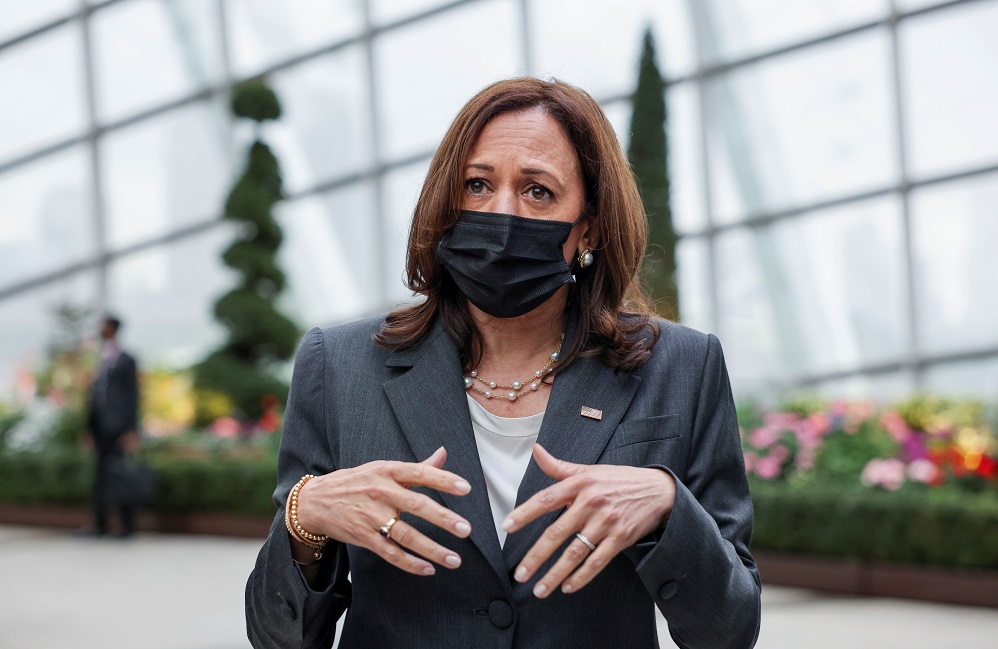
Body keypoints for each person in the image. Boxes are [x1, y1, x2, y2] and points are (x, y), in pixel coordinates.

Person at [246, 77, 760, 648]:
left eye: (538, 191)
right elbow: (277, 637)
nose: (502, 212)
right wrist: (305, 515)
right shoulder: (339, 366)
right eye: (477, 184)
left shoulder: (681, 367)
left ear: (587, 227)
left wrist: (668, 507)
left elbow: (728, 631)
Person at [84, 314, 140, 537]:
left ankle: (126, 526)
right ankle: (101, 525)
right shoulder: (100, 358)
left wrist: (131, 429)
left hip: (119, 429)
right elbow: (94, 398)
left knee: (121, 475)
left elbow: (133, 396)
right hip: (101, 430)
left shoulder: (126, 359)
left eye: (104, 325)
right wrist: (89, 428)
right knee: (101, 479)